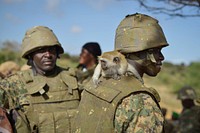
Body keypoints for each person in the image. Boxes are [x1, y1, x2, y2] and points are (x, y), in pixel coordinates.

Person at [73, 13, 169, 132]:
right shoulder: (141, 101)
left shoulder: (96, 84)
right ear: (140, 51)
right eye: (157, 51)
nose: (162, 57)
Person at [0, 26, 80, 133]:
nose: (48, 55)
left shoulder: (73, 79)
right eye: (41, 50)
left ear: (57, 53)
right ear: (30, 55)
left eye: (51, 50)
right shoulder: (13, 84)